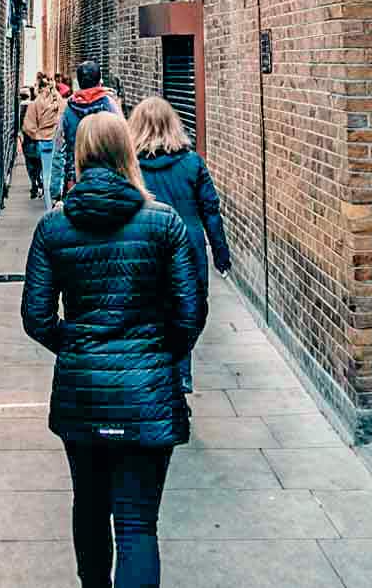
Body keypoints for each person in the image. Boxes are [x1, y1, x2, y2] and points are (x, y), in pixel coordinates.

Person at [22, 111, 202, 588]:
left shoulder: (55, 227)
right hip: (147, 393)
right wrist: (160, 355)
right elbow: (190, 310)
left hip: (83, 391)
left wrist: (77, 347)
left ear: (79, 155)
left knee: (90, 507)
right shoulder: (163, 224)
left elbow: (36, 318)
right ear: (128, 153)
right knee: (138, 523)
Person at [131, 97, 231, 394]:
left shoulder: (131, 165)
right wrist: (221, 254)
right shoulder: (192, 163)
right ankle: (181, 371)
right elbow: (210, 211)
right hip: (188, 247)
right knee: (189, 309)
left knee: (149, 310)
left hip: (145, 245)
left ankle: (155, 374)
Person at [55, 59, 122, 200]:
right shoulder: (109, 105)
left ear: (79, 83)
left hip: (76, 179)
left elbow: (59, 149)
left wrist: (55, 187)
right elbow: (123, 141)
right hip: (108, 177)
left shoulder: (68, 109)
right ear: (100, 81)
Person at [23, 75, 63, 200]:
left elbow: (28, 126)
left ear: (39, 89)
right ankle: (52, 195)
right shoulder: (60, 102)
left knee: (41, 168)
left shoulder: (35, 104)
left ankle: (41, 187)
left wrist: (37, 134)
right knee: (54, 169)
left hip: (41, 141)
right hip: (55, 140)